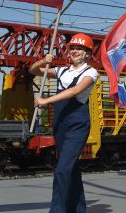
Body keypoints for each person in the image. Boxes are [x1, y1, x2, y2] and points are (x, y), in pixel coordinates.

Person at [29, 33, 98, 213]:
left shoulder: (91, 73)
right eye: (73, 48)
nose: (75, 51)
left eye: (80, 48)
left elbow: (75, 91)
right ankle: (79, 209)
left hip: (77, 125)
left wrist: (47, 100)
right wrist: (44, 61)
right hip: (60, 124)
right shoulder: (62, 70)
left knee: (62, 170)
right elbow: (33, 70)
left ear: (88, 54)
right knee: (71, 169)